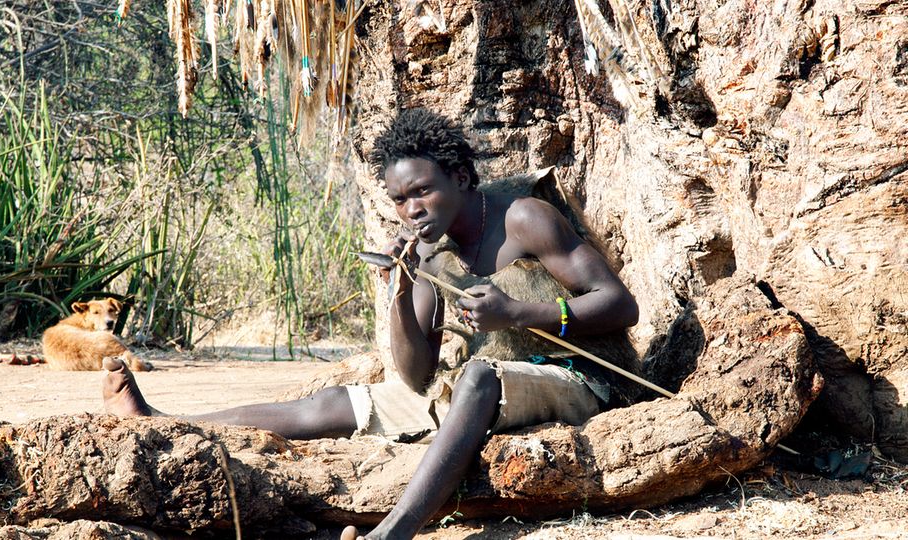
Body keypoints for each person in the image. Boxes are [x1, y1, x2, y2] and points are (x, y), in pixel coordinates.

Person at [102, 108, 639, 540]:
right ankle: (165, 420)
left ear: (459, 175)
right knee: (333, 402)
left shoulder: (523, 217)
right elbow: (415, 375)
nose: (411, 209)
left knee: (477, 378)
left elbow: (619, 304)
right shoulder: (430, 255)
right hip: (489, 388)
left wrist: (520, 313)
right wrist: (401, 292)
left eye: (422, 190)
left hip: (577, 380)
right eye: (400, 200)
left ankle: (393, 533)